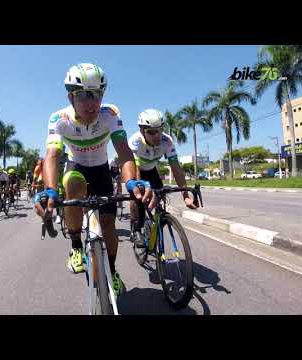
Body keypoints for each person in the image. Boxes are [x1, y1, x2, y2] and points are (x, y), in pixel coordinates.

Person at [34, 63, 155, 296]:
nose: (91, 103)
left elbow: (124, 152)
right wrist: (50, 190)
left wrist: (131, 182)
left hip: (101, 171)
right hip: (76, 167)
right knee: (73, 184)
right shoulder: (59, 119)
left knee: (109, 226)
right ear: (71, 97)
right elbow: (52, 155)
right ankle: (76, 247)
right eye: (83, 96)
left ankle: (111, 269)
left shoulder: (110, 114)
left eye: (97, 95)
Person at [128, 108, 198, 249]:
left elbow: (176, 168)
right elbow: (135, 170)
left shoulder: (167, 141)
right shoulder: (135, 142)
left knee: (159, 195)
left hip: (152, 170)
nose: (157, 135)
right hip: (137, 170)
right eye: (152, 132)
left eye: (160, 130)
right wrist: (141, 190)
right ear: (142, 131)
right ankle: (136, 229)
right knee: (138, 199)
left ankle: (153, 223)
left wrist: (185, 195)